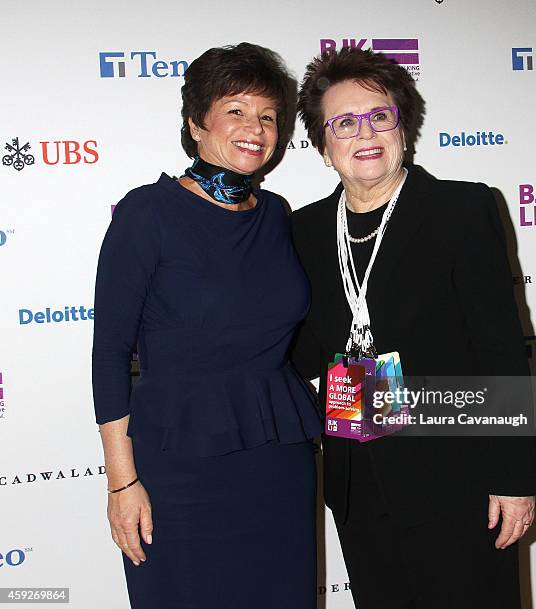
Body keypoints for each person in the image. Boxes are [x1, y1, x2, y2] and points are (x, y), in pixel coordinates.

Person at [291, 47, 536, 609]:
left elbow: (500, 349)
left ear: (404, 127)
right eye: (345, 123)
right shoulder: (305, 230)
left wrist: (515, 476)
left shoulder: (462, 211)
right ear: (324, 147)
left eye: (381, 116)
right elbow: (305, 349)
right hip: (358, 474)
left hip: (459, 477)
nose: (366, 133)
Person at [92, 43, 322, 609]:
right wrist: (122, 482)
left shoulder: (276, 215)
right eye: (236, 110)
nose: (256, 128)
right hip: (179, 465)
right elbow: (109, 354)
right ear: (196, 124)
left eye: (268, 116)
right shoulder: (147, 213)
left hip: (277, 457)